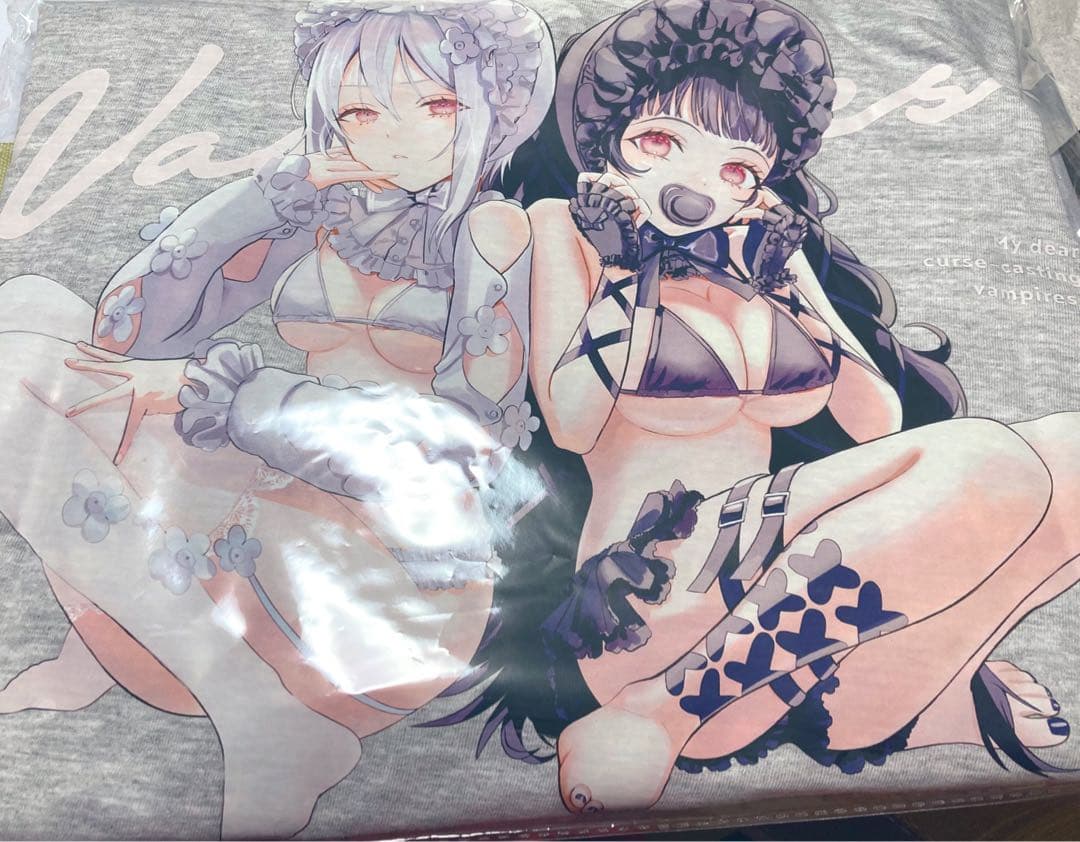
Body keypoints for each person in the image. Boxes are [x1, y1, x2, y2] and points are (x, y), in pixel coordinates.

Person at [448, 0, 1079, 814]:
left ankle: (925, 686)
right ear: (606, 137)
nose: (698, 186)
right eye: (661, 141)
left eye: (738, 168)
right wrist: (624, 276)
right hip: (656, 600)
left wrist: (783, 283)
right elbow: (572, 421)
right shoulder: (564, 227)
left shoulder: (757, 247)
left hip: (794, 631)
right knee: (993, 462)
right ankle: (659, 714)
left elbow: (876, 422)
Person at [0, 1, 554, 835]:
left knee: (27, 383)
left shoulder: (491, 230)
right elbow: (125, 331)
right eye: (361, 111)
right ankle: (154, 672)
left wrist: (244, 402)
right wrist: (271, 194)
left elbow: (467, 443)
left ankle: (263, 717)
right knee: (27, 306)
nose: (396, 134)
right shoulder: (333, 212)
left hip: (393, 564)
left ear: (488, 108)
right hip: (277, 487)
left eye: (436, 104)